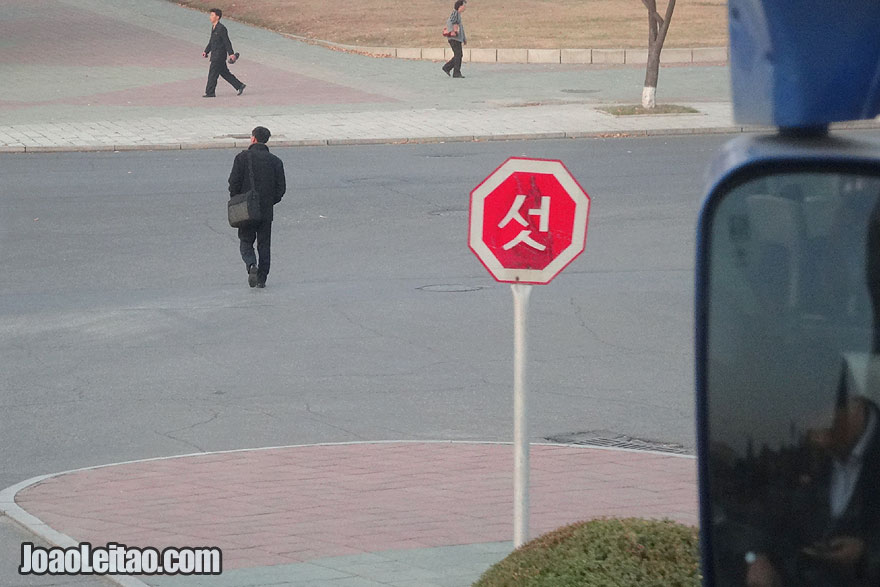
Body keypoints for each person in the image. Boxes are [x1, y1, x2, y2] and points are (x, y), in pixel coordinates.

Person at [744, 392, 880, 587]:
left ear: (855, 408)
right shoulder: (806, 452)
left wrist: (866, 554)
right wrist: (756, 557)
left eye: (818, 413)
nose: (810, 428)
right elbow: (765, 511)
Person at [228, 127, 285, 288]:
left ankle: (251, 265)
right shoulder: (275, 161)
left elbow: (233, 183)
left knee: (246, 240)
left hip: (245, 209)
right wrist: (270, 201)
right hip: (266, 209)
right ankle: (262, 279)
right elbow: (281, 189)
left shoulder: (241, 158)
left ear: (253, 139)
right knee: (264, 244)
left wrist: (237, 199)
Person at [202, 8, 245, 98]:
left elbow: (227, 41)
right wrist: (206, 51)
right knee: (224, 73)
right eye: (210, 15)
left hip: (219, 56)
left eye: (212, 15)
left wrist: (231, 54)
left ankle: (210, 92)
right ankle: (239, 85)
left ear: (217, 17)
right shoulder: (214, 27)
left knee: (213, 73)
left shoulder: (222, 28)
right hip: (215, 54)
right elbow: (211, 41)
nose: (210, 17)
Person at [442, 0, 467, 78]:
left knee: (458, 55)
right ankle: (456, 72)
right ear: (459, 6)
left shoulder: (458, 14)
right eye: (464, 5)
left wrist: (463, 38)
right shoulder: (455, 13)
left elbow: (460, 28)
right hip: (454, 38)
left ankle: (447, 67)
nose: (465, 7)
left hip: (457, 38)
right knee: (458, 55)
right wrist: (453, 30)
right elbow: (452, 21)